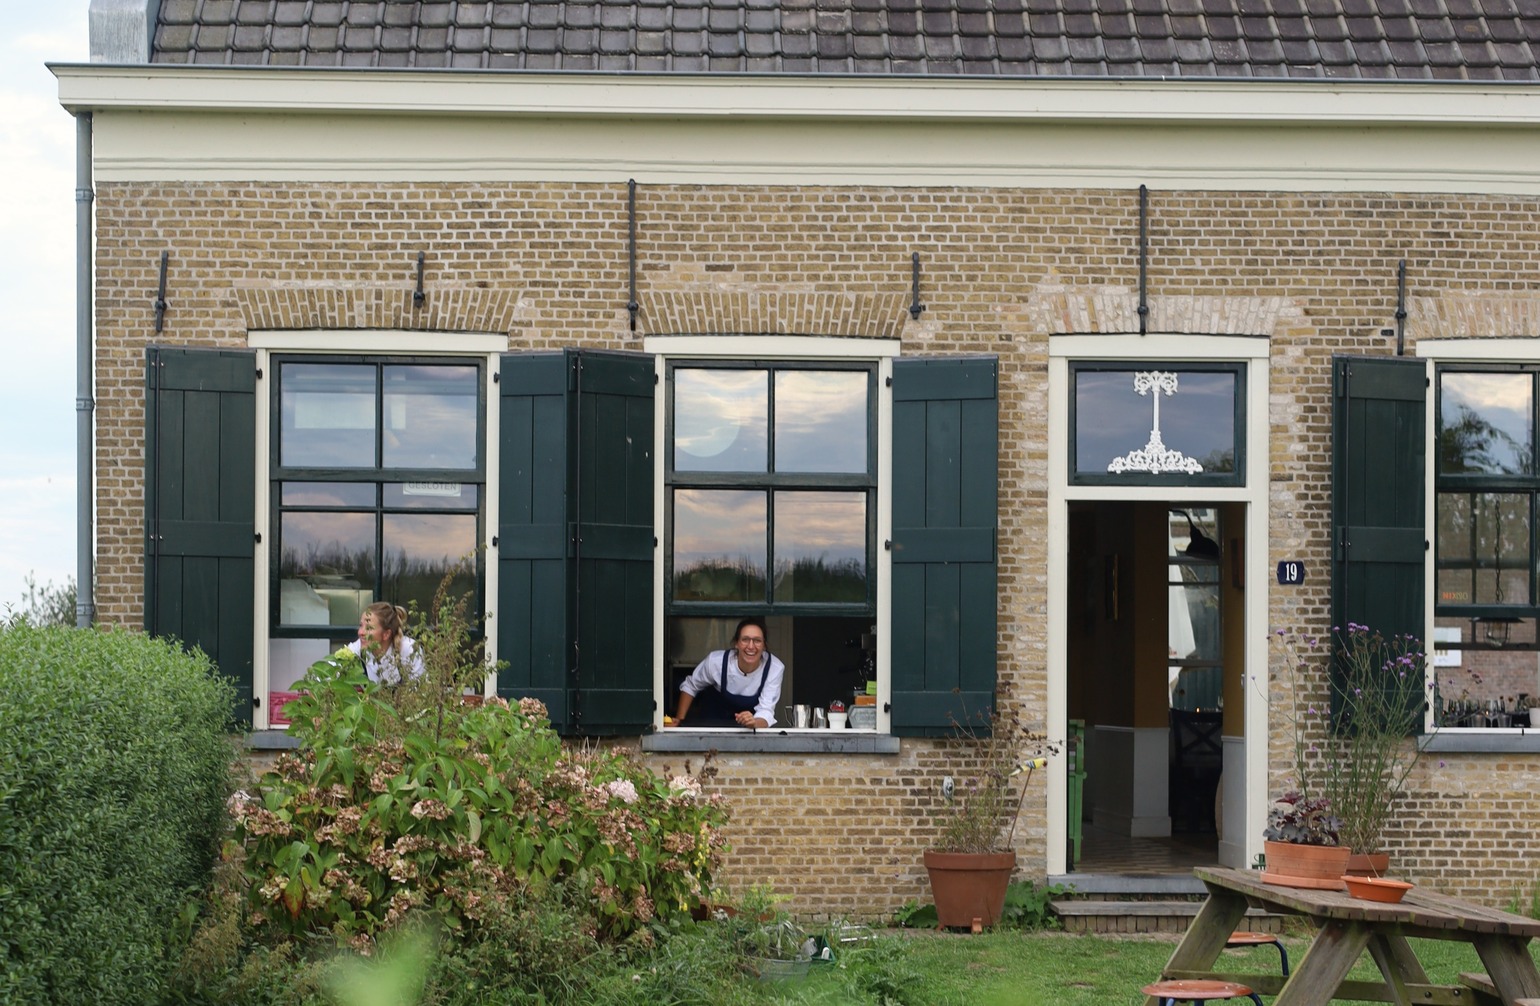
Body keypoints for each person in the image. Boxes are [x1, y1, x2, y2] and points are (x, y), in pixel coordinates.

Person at [670, 617, 785, 728]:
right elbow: (691, 686)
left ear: (764, 645)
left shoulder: (774, 668)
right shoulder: (716, 662)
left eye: (757, 641)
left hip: (748, 731)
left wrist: (754, 722)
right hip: (711, 725)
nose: (751, 646)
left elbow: (766, 710)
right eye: (745, 639)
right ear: (736, 643)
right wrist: (680, 721)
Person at [347, 601, 425, 685]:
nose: (360, 632)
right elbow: (337, 672)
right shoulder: (356, 649)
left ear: (386, 634)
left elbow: (420, 688)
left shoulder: (409, 649)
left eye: (369, 628)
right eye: (361, 625)